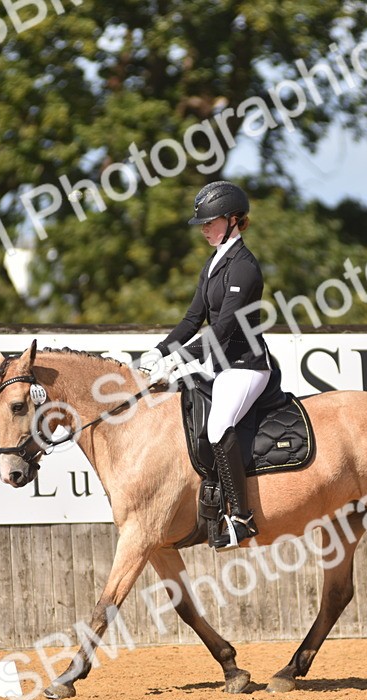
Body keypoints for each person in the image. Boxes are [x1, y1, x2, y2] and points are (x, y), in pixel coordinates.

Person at [139, 181, 277, 551]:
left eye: (210, 221)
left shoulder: (244, 268)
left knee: (218, 425)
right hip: (217, 364)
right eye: (202, 222)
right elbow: (192, 319)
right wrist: (159, 351)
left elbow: (225, 327)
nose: (203, 228)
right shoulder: (214, 262)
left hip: (245, 365)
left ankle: (242, 520)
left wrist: (180, 359)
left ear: (234, 221)